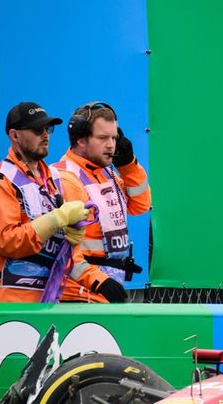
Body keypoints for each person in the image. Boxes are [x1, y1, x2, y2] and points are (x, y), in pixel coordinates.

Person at [0, 102, 116, 302]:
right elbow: (7, 241)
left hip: (43, 299)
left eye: (48, 129)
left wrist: (100, 282)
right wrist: (56, 219)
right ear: (15, 136)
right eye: (38, 130)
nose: (46, 135)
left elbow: (63, 255)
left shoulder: (53, 179)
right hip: (4, 297)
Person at [50, 102, 151, 303]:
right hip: (76, 295)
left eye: (114, 137)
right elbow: (62, 248)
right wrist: (99, 282)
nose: (111, 145)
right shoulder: (65, 177)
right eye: (103, 138)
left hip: (102, 290)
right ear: (80, 140)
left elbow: (140, 205)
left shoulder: (106, 172)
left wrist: (129, 166)